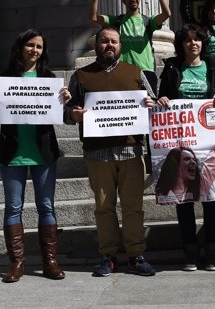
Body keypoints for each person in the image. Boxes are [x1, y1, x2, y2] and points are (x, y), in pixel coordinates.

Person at [65, 26, 157, 278]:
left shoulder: (136, 73)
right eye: (104, 41)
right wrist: (72, 114)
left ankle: (136, 255)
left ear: (121, 46)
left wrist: (151, 105)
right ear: (97, 44)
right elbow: (68, 110)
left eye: (114, 42)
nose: (109, 45)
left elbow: (155, 106)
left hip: (131, 150)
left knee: (133, 207)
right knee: (104, 207)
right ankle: (107, 255)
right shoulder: (81, 76)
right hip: (98, 153)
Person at [0, 29, 69, 283]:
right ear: (21, 47)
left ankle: (50, 263)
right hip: (12, 153)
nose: (34, 50)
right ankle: (17, 264)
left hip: (43, 153)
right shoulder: (5, 79)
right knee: (13, 207)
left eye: (39, 47)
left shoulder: (49, 79)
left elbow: (60, 118)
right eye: (30, 45)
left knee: (46, 206)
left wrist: (64, 102)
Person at [157, 23, 215, 271]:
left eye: (197, 39)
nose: (193, 44)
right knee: (184, 197)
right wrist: (163, 99)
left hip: (208, 143)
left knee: (211, 197)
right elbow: (162, 98)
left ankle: (212, 250)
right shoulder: (171, 69)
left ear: (203, 43)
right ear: (181, 44)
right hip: (181, 142)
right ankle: (189, 249)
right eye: (188, 40)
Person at [88, 0, 172, 93]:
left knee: (148, 108)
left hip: (146, 70)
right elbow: (93, 17)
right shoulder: (116, 20)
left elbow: (167, 14)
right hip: (123, 71)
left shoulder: (148, 21)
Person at [154, 107, 215, 204]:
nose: (193, 162)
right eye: (186, 159)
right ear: (175, 164)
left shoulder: (201, 186)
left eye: (194, 159)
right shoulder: (162, 194)